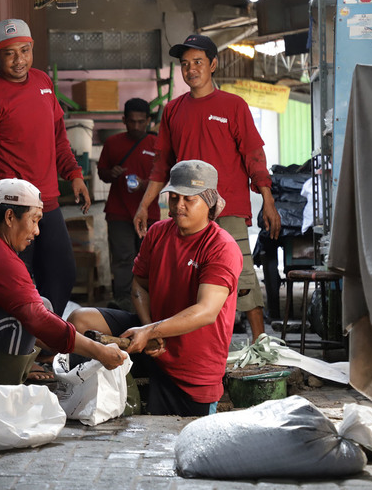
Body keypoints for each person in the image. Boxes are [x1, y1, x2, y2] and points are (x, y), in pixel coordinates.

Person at [132, 34, 281, 339]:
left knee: (243, 279)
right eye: (185, 64)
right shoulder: (173, 110)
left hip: (228, 209)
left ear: (213, 64)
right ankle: (193, 343)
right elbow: (161, 165)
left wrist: (268, 200)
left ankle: (261, 345)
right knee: (190, 277)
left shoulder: (234, 106)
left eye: (198, 62)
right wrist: (144, 205)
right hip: (187, 211)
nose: (191, 69)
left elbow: (254, 156)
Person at [70, 160, 242, 416]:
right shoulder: (158, 232)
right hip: (152, 342)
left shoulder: (221, 246)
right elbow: (139, 285)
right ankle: (79, 400)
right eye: (173, 197)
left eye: (188, 199)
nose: (178, 205)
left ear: (209, 202)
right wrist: (148, 328)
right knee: (79, 320)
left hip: (192, 367)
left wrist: (149, 331)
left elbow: (206, 311)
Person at [0, 178, 127, 402]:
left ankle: (18, 374)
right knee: (23, 320)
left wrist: (74, 349)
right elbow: (37, 320)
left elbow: (42, 320)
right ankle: (3, 401)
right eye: (34, 220)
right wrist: (99, 352)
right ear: (9, 217)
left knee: (41, 305)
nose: (36, 231)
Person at [0, 18, 90, 316]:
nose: (19, 60)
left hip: (47, 202)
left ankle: (48, 344)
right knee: (16, 280)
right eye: (9, 53)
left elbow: (58, 136)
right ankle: (17, 346)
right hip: (13, 207)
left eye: (24, 50)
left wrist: (74, 174)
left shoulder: (43, 82)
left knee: (61, 273)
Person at [97, 98, 159, 311]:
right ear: (124, 120)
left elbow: (166, 179)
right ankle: (123, 301)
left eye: (141, 122)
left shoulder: (157, 145)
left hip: (150, 215)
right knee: (123, 259)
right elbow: (102, 173)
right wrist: (110, 173)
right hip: (118, 213)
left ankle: (149, 300)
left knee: (149, 259)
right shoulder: (113, 143)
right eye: (131, 121)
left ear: (149, 121)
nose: (136, 126)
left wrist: (145, 185)